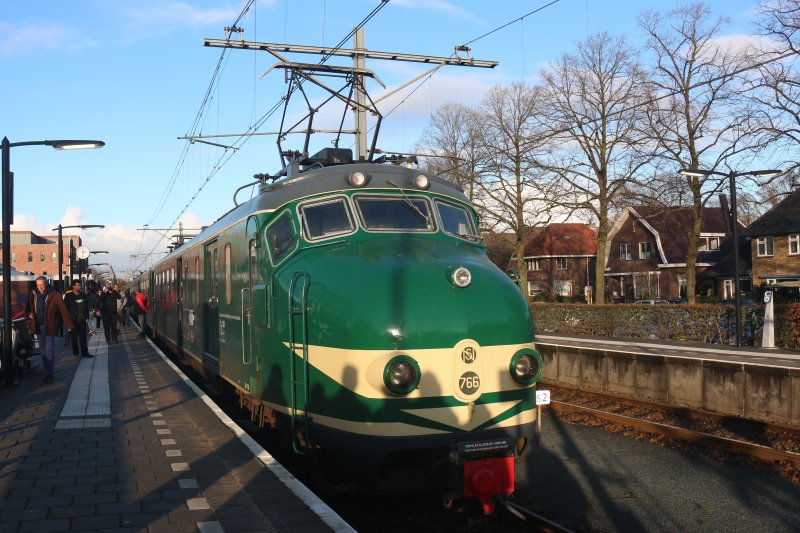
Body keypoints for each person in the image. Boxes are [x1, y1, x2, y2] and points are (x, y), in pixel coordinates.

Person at [25, 276, 74, 383]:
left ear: (46, 284)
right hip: (38, 326)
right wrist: (29, 314)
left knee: (49, 349)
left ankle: (49, 374)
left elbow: (63, 310)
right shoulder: (33, 293)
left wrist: (69, 324)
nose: (40, 287)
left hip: (50, 325)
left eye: (42, 285)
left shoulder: (54, 294)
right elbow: (28, 307)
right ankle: (47, 370)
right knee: (43, 351)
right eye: (38, 285)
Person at [63, 280, 92, 358]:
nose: (79, 287)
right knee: (74, 338)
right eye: (78, 285)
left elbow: (86, 307)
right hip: (73, 320)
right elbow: (64, 308)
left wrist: (87, 317)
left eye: (80, 285)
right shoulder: (68, 296)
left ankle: (84, 352)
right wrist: (67, 320)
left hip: (82, 320)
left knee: (83, 338)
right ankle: (76, 353)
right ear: (74, 286)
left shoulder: (83, 295)